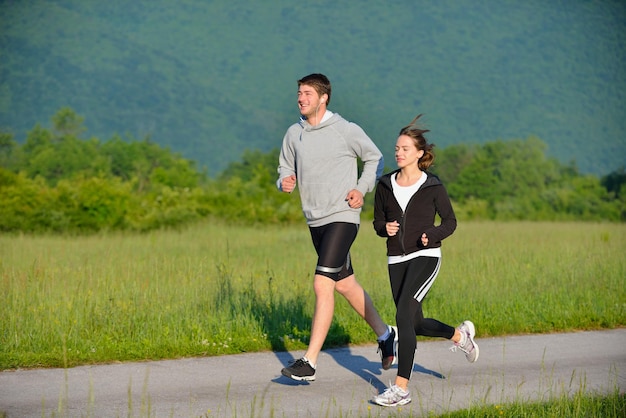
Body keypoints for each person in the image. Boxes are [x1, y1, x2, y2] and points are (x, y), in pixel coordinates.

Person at [276, 73, 398, 381]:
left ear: (323, 97)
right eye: (299, 93)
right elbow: (284, 167)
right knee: (344, 284)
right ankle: (385, 335)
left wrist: (361, 187)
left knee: (322, 283)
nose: (300, 98)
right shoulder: (294, 133)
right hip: (315, 220)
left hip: (342, 216)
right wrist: (284, 181)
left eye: (306, 93)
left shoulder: (345, 130)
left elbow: (375, 158)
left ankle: (309, 362)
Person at [371, 114, 479, 407]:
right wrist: (385, 229)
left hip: (426, 256)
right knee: (414, 323)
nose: (398, 152)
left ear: (419, 153)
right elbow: (377, 221)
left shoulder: (432, 185)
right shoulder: (384, 184)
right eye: (396, 148)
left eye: (405, 148)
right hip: (396, 259)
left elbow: (450, 221)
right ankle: (460, 335)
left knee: (402, 316)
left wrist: (431, 235)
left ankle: (401, 389)